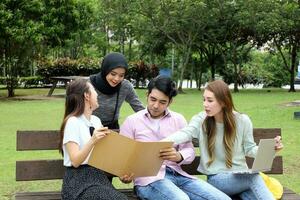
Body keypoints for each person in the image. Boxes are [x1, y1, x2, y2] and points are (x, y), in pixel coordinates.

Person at [163, 79, 283, 200]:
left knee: (251, 195)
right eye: (204, 99)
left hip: (241, 177)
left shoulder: (243, 120)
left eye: (210, 100)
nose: (205, 104)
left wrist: (271, 149)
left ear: (224, 102)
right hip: (217, 180)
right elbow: (185, 133)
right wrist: (161, 143)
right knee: (254, 178)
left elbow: (250, 149)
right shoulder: (201, 119)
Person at [119, 75, 231, 200]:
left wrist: (179, 156)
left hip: (179, 176)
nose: (156, 106)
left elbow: (189, 150)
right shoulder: (132, 122)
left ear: (170, 102)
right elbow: (123, 159)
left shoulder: (178, 119)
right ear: (147, 95)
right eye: (153, 99)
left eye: (162, 102)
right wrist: (124, 176)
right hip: (149, 180)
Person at [58, 78, 128, 200]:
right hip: (78, 180)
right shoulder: (72, 122)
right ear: (86, 95)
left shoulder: (96, 121)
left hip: (98, 178)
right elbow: (75, 161)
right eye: (94, 90)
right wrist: (93, 140)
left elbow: (105, 155)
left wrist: (122, 172)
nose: (97, 94)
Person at [90, 52, 144, 129]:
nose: (116, 79)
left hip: (112, 129)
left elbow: (139, 109)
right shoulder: (88, 85)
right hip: (89, 128)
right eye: (113, 74)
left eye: (121, 75)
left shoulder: (125, 86)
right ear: (106, 70)